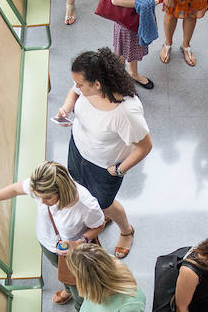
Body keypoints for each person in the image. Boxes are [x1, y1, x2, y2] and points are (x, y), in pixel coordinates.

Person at [0, 161, 104, 308]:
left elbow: (99, 225)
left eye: (47, 198)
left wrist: (79, 242)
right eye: (38, 196)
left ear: (61, 190)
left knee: (78, 286)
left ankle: (80, 308)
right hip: (47, 242)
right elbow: (14, 189)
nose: (41, 201)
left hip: (73, 251)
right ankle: (68, 290)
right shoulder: (40, 187)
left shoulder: (86, 206)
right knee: (61, 269)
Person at [55, 48, 152, 259]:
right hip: (78, 151)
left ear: (97, 84)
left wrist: (119, 170)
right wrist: (66, 107)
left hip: (103, 167)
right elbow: (74, 92)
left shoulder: (126, 112)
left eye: (81, 83)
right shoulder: (87, 88)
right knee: (82, 191)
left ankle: (126, 231)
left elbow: (145, 147)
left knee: (104, 204)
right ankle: (100, 216)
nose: (77, 86)